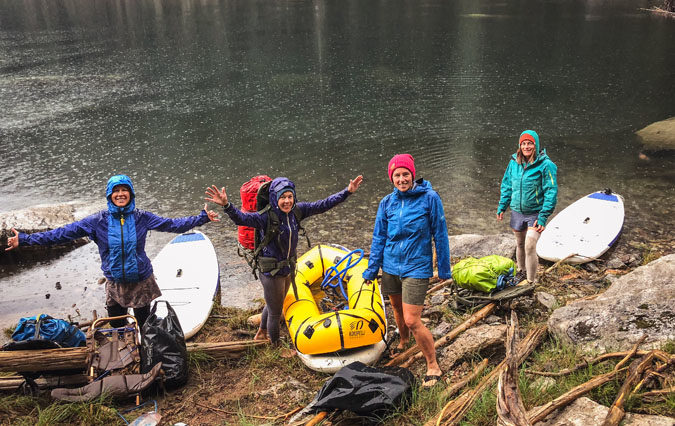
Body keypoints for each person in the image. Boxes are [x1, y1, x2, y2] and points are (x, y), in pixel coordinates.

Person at [5, 174, 220, 328]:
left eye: (124, 190)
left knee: (145, 327)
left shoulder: (141, 217)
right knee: (117, 328)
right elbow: (61, 234)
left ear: (130, 194)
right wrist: (24, 239)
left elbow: (172, 224)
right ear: (109, 195)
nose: (120, 194)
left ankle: (147, 365)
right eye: (115, 191)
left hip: (141, 282)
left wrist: (201, 218)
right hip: (115, 284)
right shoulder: (97, 221)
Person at [205, 175, 363, 349]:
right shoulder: (264, 218)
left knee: (274, 304)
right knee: (275, 311)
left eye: (290, 196)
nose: (287, 201)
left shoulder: (297, 211)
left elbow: (323, 205)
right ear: (274, 198)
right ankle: (276, 347)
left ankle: (261, 332)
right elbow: (242, 219)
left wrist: (347, 192)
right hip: (271, 273)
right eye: (282, 197)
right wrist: (227, 206)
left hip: (287, 268)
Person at [362, 154, 451, 388]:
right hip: (391, 265)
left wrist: (443, 268)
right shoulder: (386, 203)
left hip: (417, 266)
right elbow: (379, 236)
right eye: (397, 175)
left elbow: (440, 233)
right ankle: (403, 341)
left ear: (413, 175)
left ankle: (432, 364)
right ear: (391, 178)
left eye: (405, 174)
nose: (401, 179)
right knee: (396, 309)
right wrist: (372, 270)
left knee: (412, 319)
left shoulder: (429, 198)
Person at [497, 130, 558, 284]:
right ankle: (521, 271)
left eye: (530, 143)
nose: (526, 146)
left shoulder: (546, 165)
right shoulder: (514, 162)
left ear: (535, 145)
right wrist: (502, 206)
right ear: (520, 145)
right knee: (520, 243)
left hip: (536, 212)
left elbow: (551, 191)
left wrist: (543, 217)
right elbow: (507, 185)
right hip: (517, 211)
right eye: (523, 143)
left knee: (530, 245)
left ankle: (531, 281)